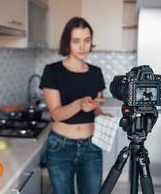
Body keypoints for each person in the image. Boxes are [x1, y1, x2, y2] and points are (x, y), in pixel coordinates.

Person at [39, 17, 110, 194]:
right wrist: (79, 104)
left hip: (92, 146)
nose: (82, 46)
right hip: (60, 147)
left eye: (87, 40)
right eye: (76, 41)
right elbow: (55, 114)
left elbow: (96, 107)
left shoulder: (96, 73)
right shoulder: (52, 71)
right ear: (67, 42)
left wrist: (101, 114)